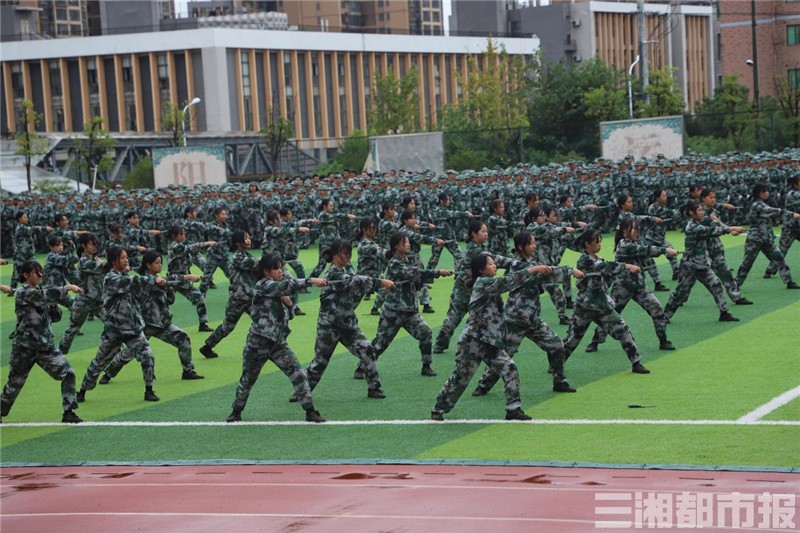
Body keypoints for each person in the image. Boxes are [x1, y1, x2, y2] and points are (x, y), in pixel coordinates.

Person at [431, 253, 542, 421]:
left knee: (509, 368)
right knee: (460, 378)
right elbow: (508, 281)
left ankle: (513, 409)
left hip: (490, 342)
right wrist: (533, 269)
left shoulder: (487, 284)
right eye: (490, 264)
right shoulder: (483, 283)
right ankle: (438, 409)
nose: (495, 265)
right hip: (473, 341)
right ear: (481, 270)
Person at [472, 232, 583, 397]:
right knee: (504, 356)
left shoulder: (530, 265)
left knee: (557, 346)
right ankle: (483, 385)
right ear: (521, 247)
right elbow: (549, 273)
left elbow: (544, 272)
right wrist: (570, 270)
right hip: (514, 320)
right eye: (531, 243)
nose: (535, 245)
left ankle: (559, 381)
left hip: (533, 320)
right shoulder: (521, 267)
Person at [225, 253, 327, 423]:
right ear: (266, 271)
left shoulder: (277, 290)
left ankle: (310, 411)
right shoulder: (262, 285)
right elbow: (288, 285)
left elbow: (288, 316)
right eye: (276, 268)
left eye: (281, 268)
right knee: (248, 378)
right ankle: (236, 411)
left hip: (277, 343)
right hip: (258, 343)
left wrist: (288, 305)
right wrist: (310, 281)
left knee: (298, 374)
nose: (280, 271)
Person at [298, 239, 394, 401]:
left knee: (368, 351)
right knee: (319, 363)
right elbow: (355, 280)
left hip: (348, 324)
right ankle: (302, 391)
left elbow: (356, 280)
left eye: (350, 253)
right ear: (335, 255)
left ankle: (374, 388)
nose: (348, 256)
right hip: (329, 326)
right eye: (345, 253)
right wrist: (380, 282)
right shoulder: (333, 274)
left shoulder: (346, 269)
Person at [98, 250, 204, 384]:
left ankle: (188, 371)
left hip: (162, 324)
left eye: (160, 262)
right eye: (157, 263)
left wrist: (169, 288)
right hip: (145, 326)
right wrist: (186, 278)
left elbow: (169, 298)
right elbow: (166, 281)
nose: (160, 265)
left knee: (184, 339)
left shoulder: (159, 280)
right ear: (148, 265)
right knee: (127, 354)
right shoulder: (142, 281)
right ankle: (108, 373)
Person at [0, 260, 83, 423]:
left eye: (41, 272)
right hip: (25, 347)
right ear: (25, 275)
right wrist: (66, 288)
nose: (40, 275)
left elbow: (57, 316)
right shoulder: (24, 293)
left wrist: (52, 306)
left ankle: (69, 412)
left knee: (69, 373)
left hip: (45, 347)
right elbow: (45, 295)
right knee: (14, 386)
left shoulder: (40, 292)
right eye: (36, 272)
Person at [76, 246, 160, 403]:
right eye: (122, 258)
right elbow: (134, 281)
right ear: (114, 261)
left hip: (133, 328)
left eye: (126, 257)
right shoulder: (111, 278)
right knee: (99, 362)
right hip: (114, 329)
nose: (126, 260)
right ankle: (82, 391)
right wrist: (154, 279)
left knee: (148, 356)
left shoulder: (124, 274)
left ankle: (149, 390)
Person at [562, 230, 651, 374]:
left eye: (600, 242)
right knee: (573, 339)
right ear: (587, 244)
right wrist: (627, 266)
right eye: (596, 242)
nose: (599, 245)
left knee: (623, 329)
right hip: (585, 307)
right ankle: (557, 363)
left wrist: (624, 272)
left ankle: (636, 362)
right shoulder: (585, 260)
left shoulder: (599, 258)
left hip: (602, 305)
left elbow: (608, 275)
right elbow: (607, 267)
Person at [584, 218, 678, 353]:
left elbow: (644, 252)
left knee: (657, 309)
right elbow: (645, 250)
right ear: (624, 231)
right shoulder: (624, 245)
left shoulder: (634, 242)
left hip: (640, 286)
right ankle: (595, 342)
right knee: (610, 316)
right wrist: (665, 250)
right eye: (632, 228)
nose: (636, 231)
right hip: (623, 287)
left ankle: (663, 341)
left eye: (636, 228)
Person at [366, 232, 452, 378]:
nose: (408, 244)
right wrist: (437, 272)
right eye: (405, 242)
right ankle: (362, 366)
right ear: (396, 246)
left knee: (425, 332)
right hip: (393, 312)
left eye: (407, 241)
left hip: (410, 311)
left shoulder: (406, 260)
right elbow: (414, 273)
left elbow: (415, 279)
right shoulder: (394, 263)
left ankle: (426, 365)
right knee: (380, 344)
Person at [434, 219, 513, 354]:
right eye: (483, 231)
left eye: (486, 231)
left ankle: (488, 342)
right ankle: (440, 345)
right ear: (474, 234)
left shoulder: (481, 247)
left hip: (476, 289)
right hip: (464, 290)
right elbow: (496, 259)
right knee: (453, 318)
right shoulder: (474, 249)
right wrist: (516, 263)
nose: (486, 234)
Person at [663, 202, 746, 323]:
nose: (702, 212)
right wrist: (732, 228)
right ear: (692, 213)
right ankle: (664, 316)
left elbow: (713, 223)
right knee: (680, 292)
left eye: (702, 210)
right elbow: (712, 231)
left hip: (702, 265)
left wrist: (722, 225)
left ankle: (724, 313)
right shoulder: (693, 227)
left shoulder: (700, 221)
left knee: (716, 284)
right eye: (700, 210)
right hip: (690, 266)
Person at [199, 230, 261, 359]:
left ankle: (261, 348)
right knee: (227, 327)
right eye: (245, 238)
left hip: (250, 298)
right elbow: (257, 264)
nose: (249, 240)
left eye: (249, 237)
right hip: (238, 299)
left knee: (262, 322)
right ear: (238, 243)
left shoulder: (248, 255)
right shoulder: (238, 258)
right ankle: (207, 346)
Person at [735, 183, 800, 290]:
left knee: (780, 259)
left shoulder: (762, 204)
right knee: (747, 263)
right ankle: (736, 284)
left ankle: (789, 282)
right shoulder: (758, 205)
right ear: (759, 194)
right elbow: (773, 211)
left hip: (766, 239)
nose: (767, 193)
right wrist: (792, 214)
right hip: (755, 240)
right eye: (764, 191)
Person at [699, 188, 754, 306]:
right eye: (710, 197)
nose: (713, 200)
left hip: (715, 248)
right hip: (701, 251)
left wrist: (730, 230)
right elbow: (713, 227)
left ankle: (736, 297)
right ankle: (676, 301)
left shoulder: (714, 212)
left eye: (714, 197)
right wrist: (730, 229)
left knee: (726, 273)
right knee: (688, 280)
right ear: (703, 199)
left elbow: (719, 225)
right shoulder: (700, 213)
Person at [59, 233, 105, 354]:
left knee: (112, 324)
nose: (94, 246)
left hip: (98, 301)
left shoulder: (95, 259)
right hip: (84, 302)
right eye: (91, 244)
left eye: (95, 244)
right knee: (72, 329)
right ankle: (60, 353)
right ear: (84, 246)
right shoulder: (84, 261)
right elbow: (103, 267)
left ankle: (113, 347)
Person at [166, 225, 216, 332]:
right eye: (181, 234)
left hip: (183, 280)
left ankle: (203, 324)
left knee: (199, 298)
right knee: (164, 302)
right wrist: (205, 243)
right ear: (174, 236)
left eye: (184, 233)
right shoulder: (175, 246)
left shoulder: (180, 245)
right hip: (173, 279)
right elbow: (189, 248)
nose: (184, 236)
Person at [765, 175, 800, 278]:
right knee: (782, 250)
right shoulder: (793, 194)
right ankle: (770, 270)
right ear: (795, 184)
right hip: (790, 227)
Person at [643, 189, 680, 283]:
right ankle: (656, 281)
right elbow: (671, 213)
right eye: (663, 196)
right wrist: (681, 210)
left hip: (661, 238)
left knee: (672, 254)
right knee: (647, 260)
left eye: (666, 196)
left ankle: (676, 273)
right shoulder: (654, 207)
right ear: (657, 198)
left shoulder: (663, 207)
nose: (666, 197)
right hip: (651, 238)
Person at [10, 211, 52, 289]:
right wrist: (44, 228)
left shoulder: (24, 226)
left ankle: (42, 287)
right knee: (17, 271)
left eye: (26, 217)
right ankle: (12, 289)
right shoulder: (20, 227)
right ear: (19, 219)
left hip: (29, 253)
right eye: (24, 217)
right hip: (20, 254)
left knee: (36, 268)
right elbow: (33, 229)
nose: (27, 219)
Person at [199, 207, 233, 295]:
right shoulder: (212, 225)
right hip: (213, 256)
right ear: (216, 216)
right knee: (206, 278)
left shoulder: (227, 226)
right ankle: (200, 297)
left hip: (224, 256)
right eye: (222, 214)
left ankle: (237, 294)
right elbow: (224, 233)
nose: (225, 216)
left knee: (233, 276)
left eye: (225, 214)